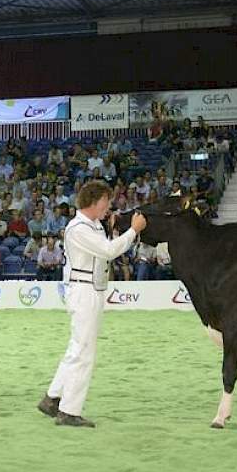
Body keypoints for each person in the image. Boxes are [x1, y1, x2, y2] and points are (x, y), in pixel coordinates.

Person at [38, 180, 146, 428]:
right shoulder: (78, 228)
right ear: (96, 202)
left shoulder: (92, 225)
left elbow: (105, 247)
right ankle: (69, 411)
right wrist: (133, 230)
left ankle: (53, 398)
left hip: (91, 288)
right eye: (106, 202)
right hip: (84, 290)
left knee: (77, 347)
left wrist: (116, 230)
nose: (109, 207)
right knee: (83, 352)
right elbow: (108, 251)